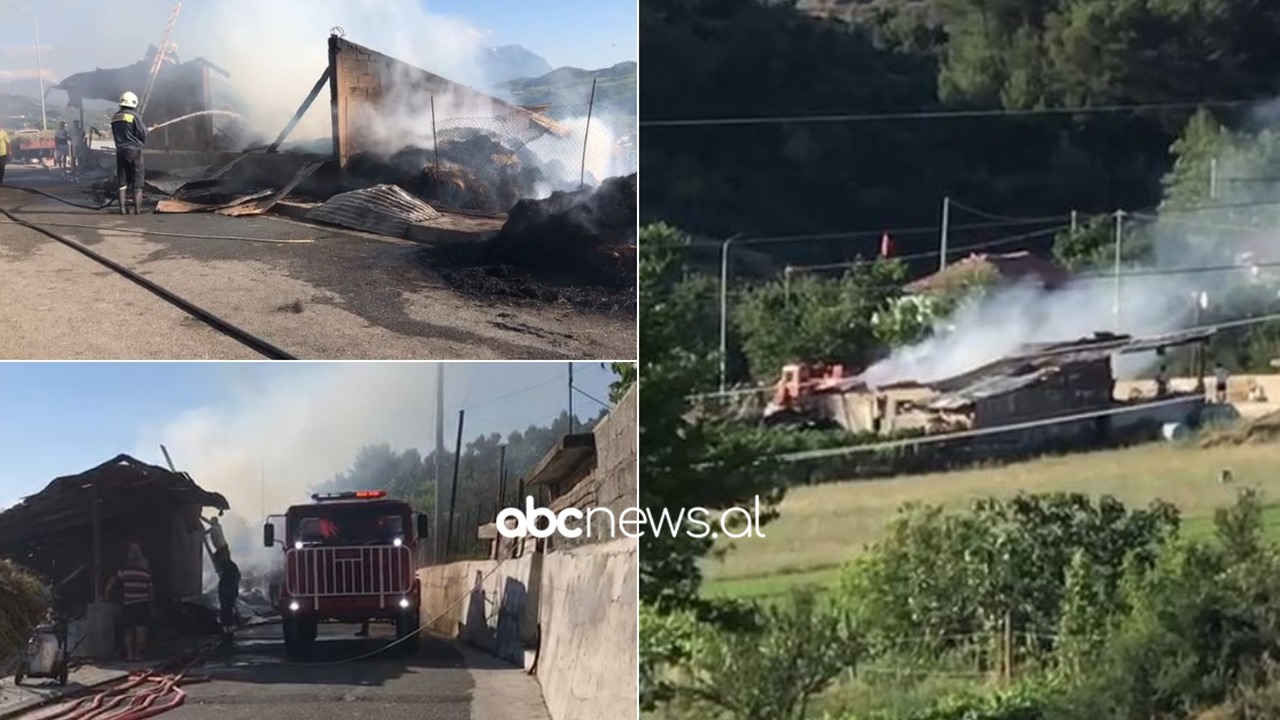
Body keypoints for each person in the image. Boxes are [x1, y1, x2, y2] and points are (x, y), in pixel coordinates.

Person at [104, 543, 152, 662]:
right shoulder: (146, 572)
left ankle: (129, 655)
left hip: (129, 604)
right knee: (140, 630)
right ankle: (137, 655)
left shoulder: (125, 571)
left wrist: (106, 593)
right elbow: (151, 590)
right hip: (142, 603)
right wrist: (151, 603)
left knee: (128, 631)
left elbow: (112, 581)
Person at [111, 91, 148, 215]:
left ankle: (122, 209)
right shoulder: (134, 116)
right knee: (138, 178)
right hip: (133, 151)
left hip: (120, 151)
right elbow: (142, 133)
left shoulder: (115, 117)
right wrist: (147, 131)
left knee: (122, 180)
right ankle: (138, 209)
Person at [212, 547, 241, 639]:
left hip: (228, 592)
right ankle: (227, 631)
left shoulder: (231, 567)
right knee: (225, 611)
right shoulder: (228, 566)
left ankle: (228, 631)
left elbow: (235, 578)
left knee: (227, 611)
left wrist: (231, 589)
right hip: (226, 592)